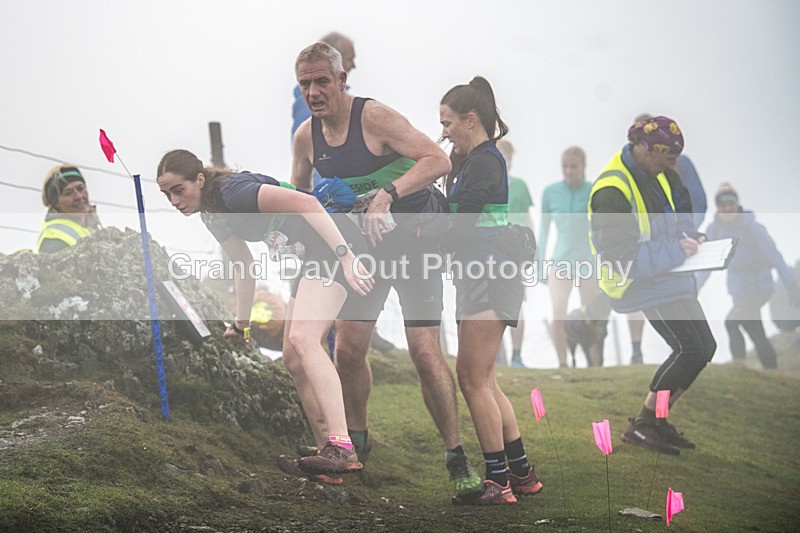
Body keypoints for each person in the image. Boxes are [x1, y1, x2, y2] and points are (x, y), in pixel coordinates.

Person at [290, 42, 482, 497]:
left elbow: (440, 160)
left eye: (322, 81)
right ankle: (354, 444)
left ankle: (457, 460)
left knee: (424, 351)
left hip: (413, 241)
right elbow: (299, 194)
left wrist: (387, 194)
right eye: (305, 84)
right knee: (349, 350)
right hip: (365, 251)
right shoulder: (306, 138)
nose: (314, 92)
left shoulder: (372, 118)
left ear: (341, 81)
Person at [156, 149, 374, 479]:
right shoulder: (212, 215)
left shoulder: (234, 191)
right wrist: (240, 325)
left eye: (178, 190)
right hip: (313, 256)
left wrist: (345, 256)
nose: (173, 200)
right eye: (166, 194)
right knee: (292, 357)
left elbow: (310, 204)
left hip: (337, 244)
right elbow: (244, 267)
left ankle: (342, 446)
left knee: (304, 339)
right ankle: (325, 457)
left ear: (199, 179)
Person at [440, 76, 542, 505]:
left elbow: (463, 225)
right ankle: (521, 475)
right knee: (485, 379)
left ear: (470, 119)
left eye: (447, 122)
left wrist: (424, 233)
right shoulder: (468, 159)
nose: (442, 131)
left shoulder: (484, 161)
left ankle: (498, 484)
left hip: (491, 275)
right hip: (478, 275)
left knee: (471, 378)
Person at [589, 116, 716, 455]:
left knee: (702, 348)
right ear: (644, 148)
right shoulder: (612, 189)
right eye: (666, 158)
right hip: (636, 281)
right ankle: (645, 422)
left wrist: (686, 237)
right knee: (692, 349)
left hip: (663, 275)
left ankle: (654, 421)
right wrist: (676, 250)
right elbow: (621, 258)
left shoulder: (650, 172)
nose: (671, 166)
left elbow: (662, 225)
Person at [697, 183, 800, 369]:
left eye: (731, 203)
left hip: (759, 286)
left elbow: (775, 256)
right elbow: (707, 263)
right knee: (751, 327)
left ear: (737, 204)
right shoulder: (715, 230)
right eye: (723, 204)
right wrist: (695, 286)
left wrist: (791, 285)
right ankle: (767, 369)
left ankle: (741, 366)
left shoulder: (752, 228)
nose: (728, 208)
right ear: (718, 207)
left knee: (733, 323)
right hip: (738, 289)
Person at [539, 146, 601, 367]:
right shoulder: (550, 192)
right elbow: (544, 231)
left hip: (589, 262)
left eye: (573, 166)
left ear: (583, 166)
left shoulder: (595, 190)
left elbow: (603, 228)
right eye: (565, 166)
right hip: (560, 262)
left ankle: (594, 364)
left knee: (591, 316)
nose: (569, 171)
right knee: (558, 311)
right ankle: (563, 363)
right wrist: (540, 266)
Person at [495, 139, 533, 368]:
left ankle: (517, 355)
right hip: (493, 249)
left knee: (516, 302)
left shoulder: (519, 186)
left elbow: (527, 218)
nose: (504, 161)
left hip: (516, 251)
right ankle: (498, 355)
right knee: (492, 303)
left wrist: (533, 251)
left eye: (507, 157)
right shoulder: (488, 184)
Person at [37, 165, 101, 253]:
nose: (79, 196)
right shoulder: (54, 237)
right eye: (68, 193)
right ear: (56, 203)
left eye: (80, 188)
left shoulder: (91, 227)